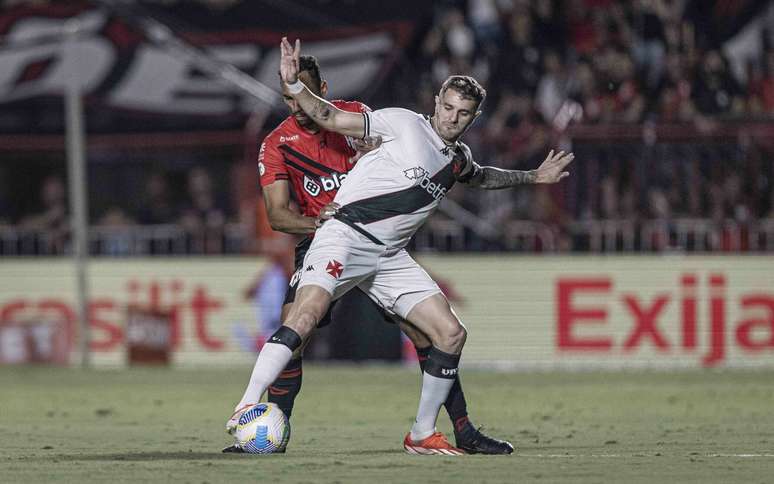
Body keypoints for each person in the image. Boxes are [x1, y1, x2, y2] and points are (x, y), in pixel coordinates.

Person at [229, 37, 574, 455]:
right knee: (303, 319)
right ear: (435, 102)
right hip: (343, 236)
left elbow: (480, 175)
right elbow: (326, 117)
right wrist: (294, 85)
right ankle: (248, 406)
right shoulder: (401, 123)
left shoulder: (457, 157)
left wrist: (533, 177)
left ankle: (423, 433)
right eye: (447, 108)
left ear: (473, 117)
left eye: (463, 113)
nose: (452, 118)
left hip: (387, 255)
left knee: (449, 334)